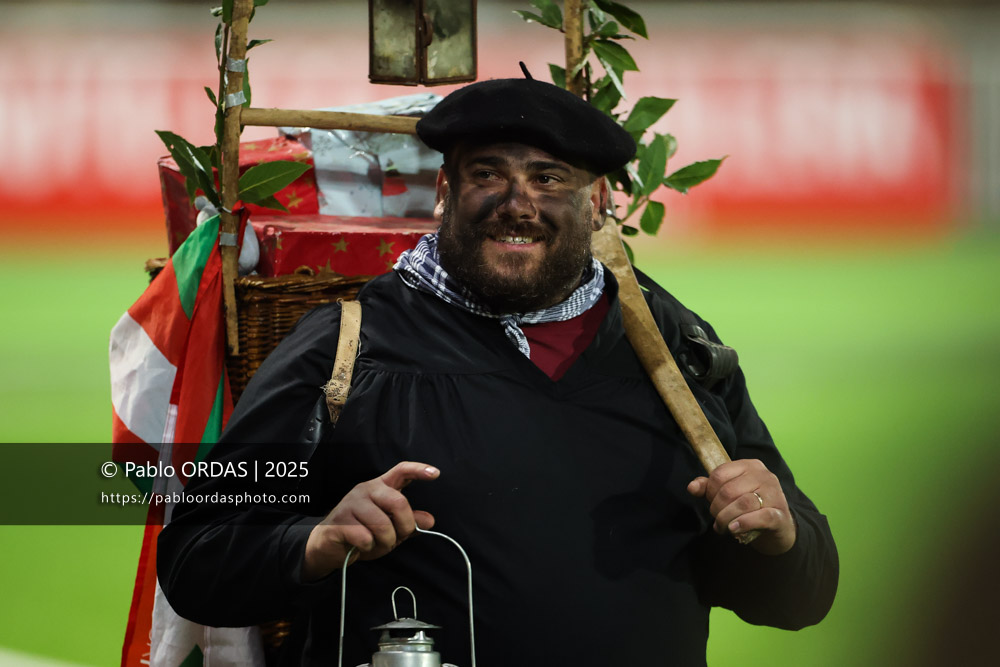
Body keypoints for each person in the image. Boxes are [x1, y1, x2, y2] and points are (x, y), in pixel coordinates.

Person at [158, 77, 838, 666]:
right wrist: (317, 540)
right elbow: (196, 558)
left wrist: (777, 539)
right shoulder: (344, 347)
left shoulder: (679, 350)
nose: (518, 201)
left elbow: (804, 592)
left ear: (594, 202)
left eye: (549, 177)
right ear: (446, 192)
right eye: (488, 174)